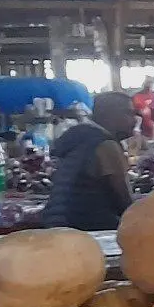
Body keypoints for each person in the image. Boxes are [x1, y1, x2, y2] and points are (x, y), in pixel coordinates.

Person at [40, 91, 137, 231]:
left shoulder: (80, 138)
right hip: (86, 229)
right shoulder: (105, 145)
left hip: (57, 225)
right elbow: (125, 205)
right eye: (128, 113)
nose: (134, 120)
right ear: (108, 115)